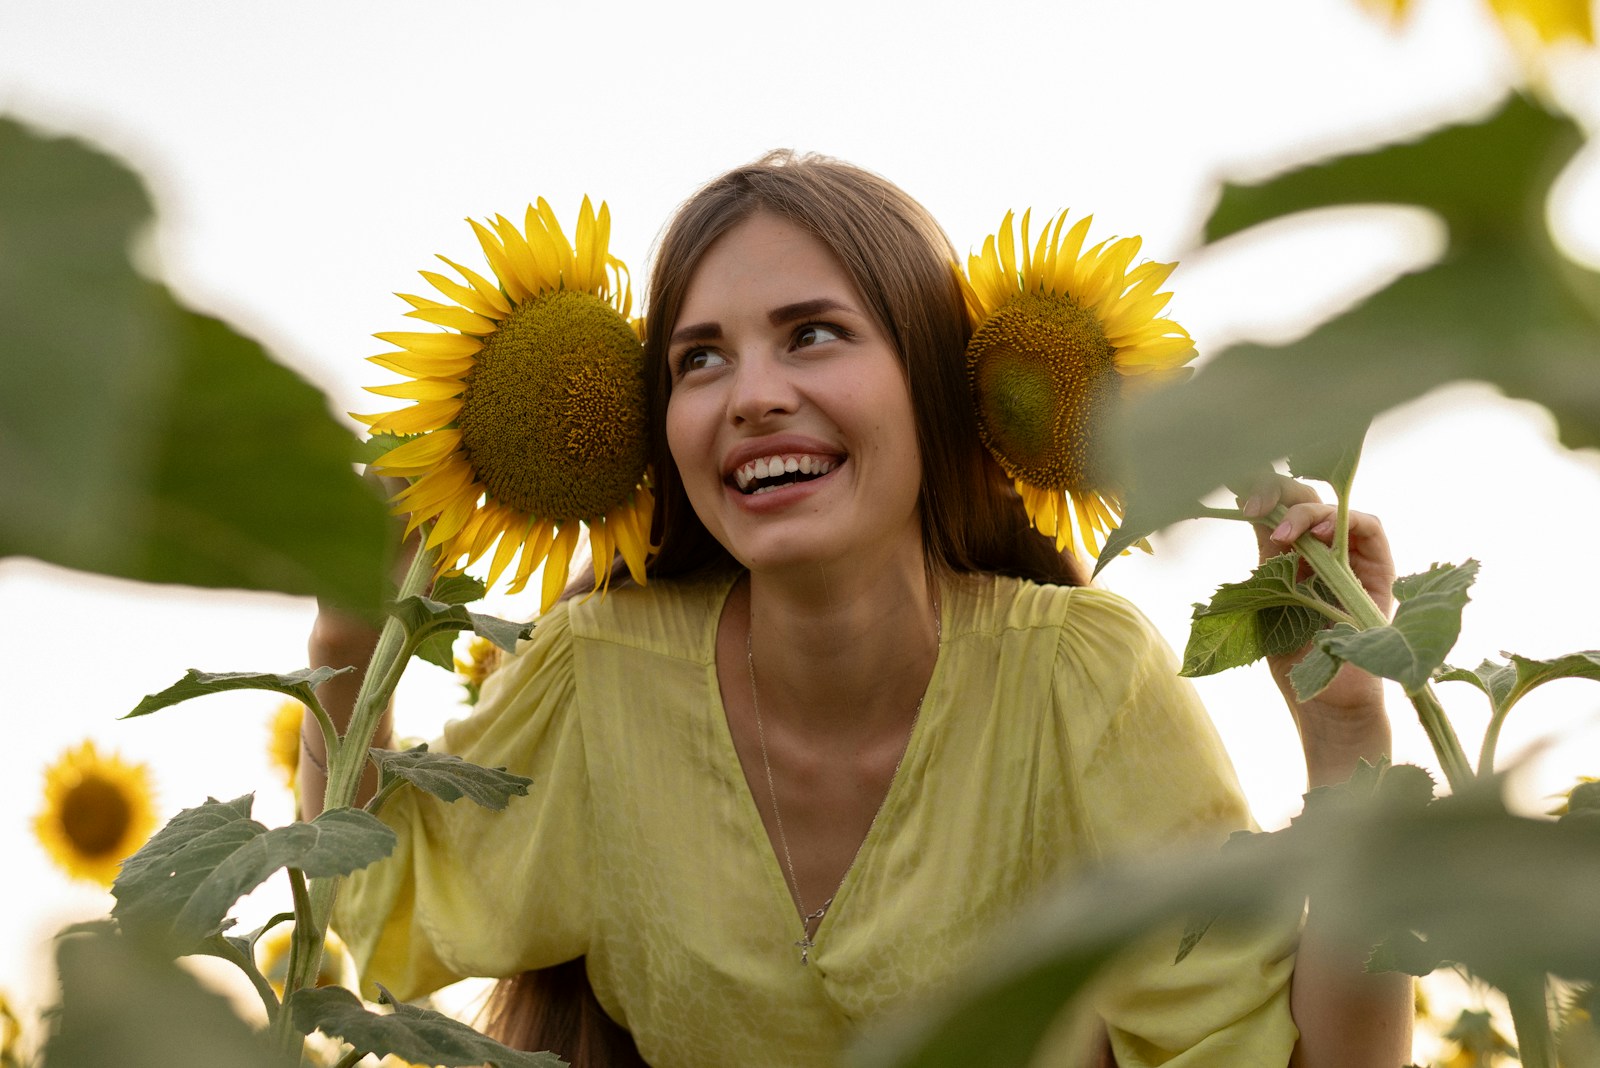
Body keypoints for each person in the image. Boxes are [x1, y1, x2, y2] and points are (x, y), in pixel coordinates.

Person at [302, 152, 1411, 1067]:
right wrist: (349, 636)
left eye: (813, 333)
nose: (753, 396)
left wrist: (1346, 730)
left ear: (933, 383)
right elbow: (372, 898)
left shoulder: (1078, 682)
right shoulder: (598, 680)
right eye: (699, 359)